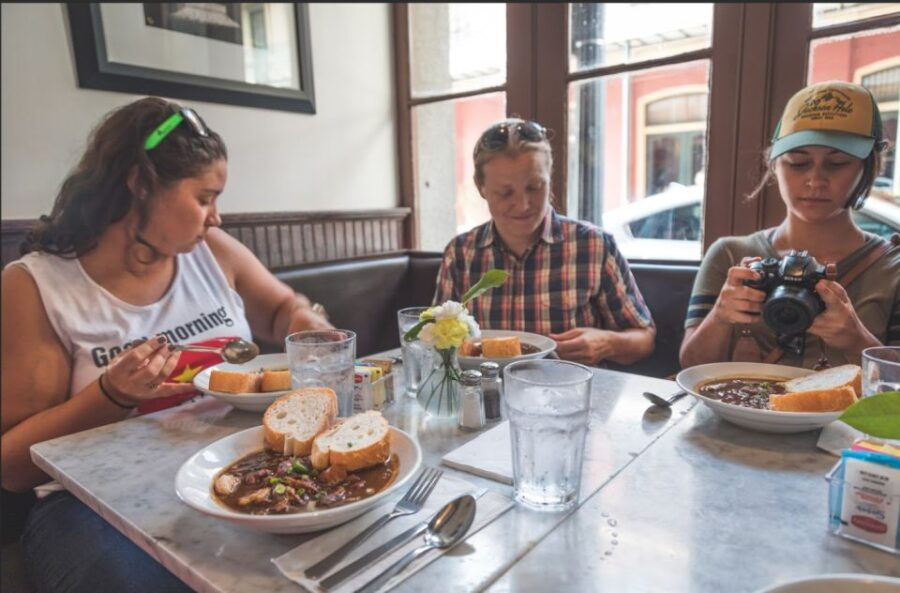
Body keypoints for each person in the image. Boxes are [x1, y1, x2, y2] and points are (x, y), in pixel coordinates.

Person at [0, 97, 331, 592]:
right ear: (139, 183)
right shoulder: (37, 285)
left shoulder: (210, 252)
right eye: (204, 198)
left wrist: (309, 324)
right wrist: (112, 395)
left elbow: (285, 309)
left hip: (234, 465)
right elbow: (13, 467)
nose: (216, 218)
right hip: (96, 505)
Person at [680, 81, 900, 370]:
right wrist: (720, 316)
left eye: (836, 164)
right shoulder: (731, 255)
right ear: (774, 165)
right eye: (797, 163)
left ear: (869, 167)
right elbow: (690, 367)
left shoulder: (892, 268)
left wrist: (856, 339)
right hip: (738, 416)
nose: (815, 181)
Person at [433, 118, 656, 366]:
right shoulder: (461, 253)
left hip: (566, 394)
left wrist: (607, 343)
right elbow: (439, 339)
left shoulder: (593, 245)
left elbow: (644, 338)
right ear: (481, 187)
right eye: (505, 193)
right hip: (484, 395)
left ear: (549, 177)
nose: (523, 204)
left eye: (535, 187)